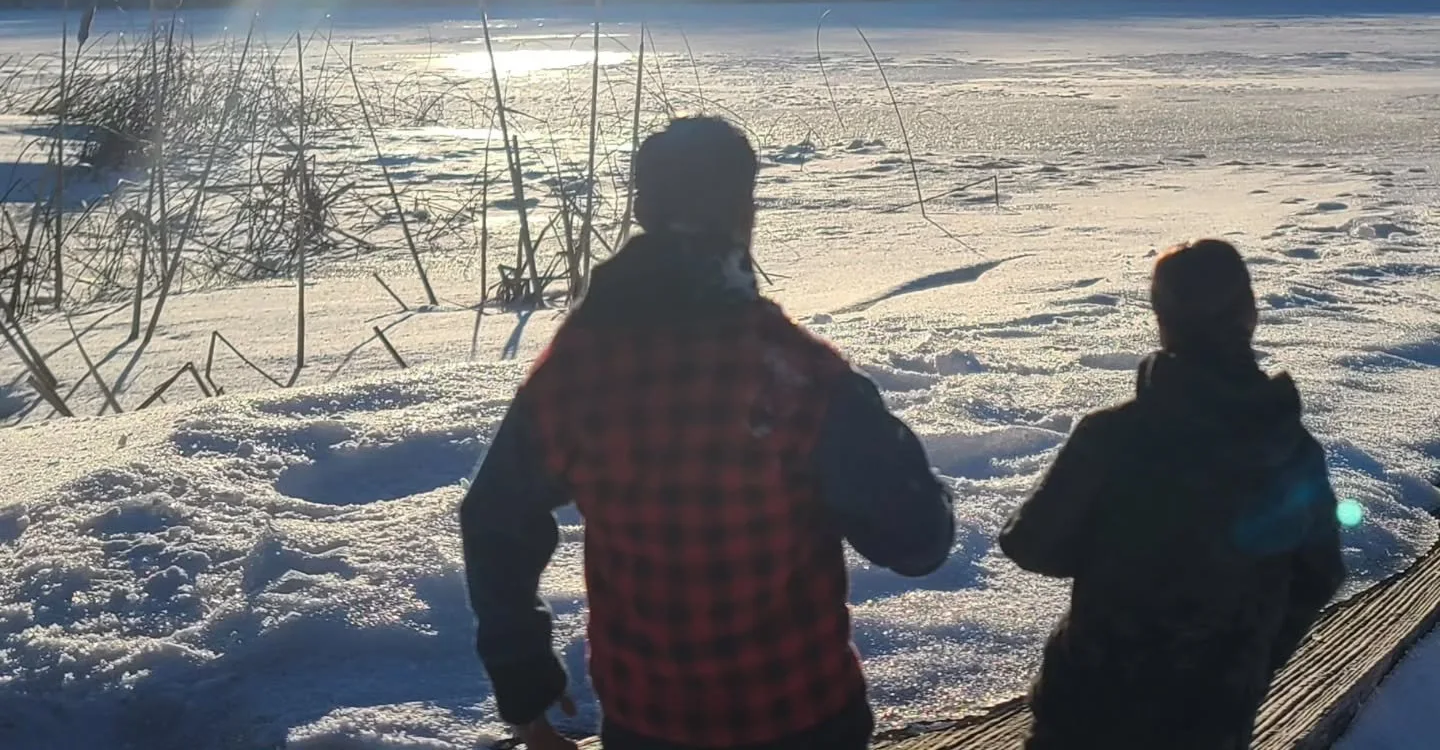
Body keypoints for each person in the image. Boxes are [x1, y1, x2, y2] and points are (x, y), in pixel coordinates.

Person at [461, 115, 955, 750]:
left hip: (648, 724)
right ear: (744, 211)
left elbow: (495, 515)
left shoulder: (579, 365)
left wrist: (524, 683)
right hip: (805, 717)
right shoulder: (797, 373)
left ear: (643, 209)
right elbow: (918, 543)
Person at [999, 239, 1345, 750]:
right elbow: (1320, 573)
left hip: (1089, 710)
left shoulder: (1111, 438)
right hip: (1215, 716)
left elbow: (1030, 544)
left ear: (1162, 321)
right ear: (1250, 313)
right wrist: (1252, 656)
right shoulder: (1293, 449)